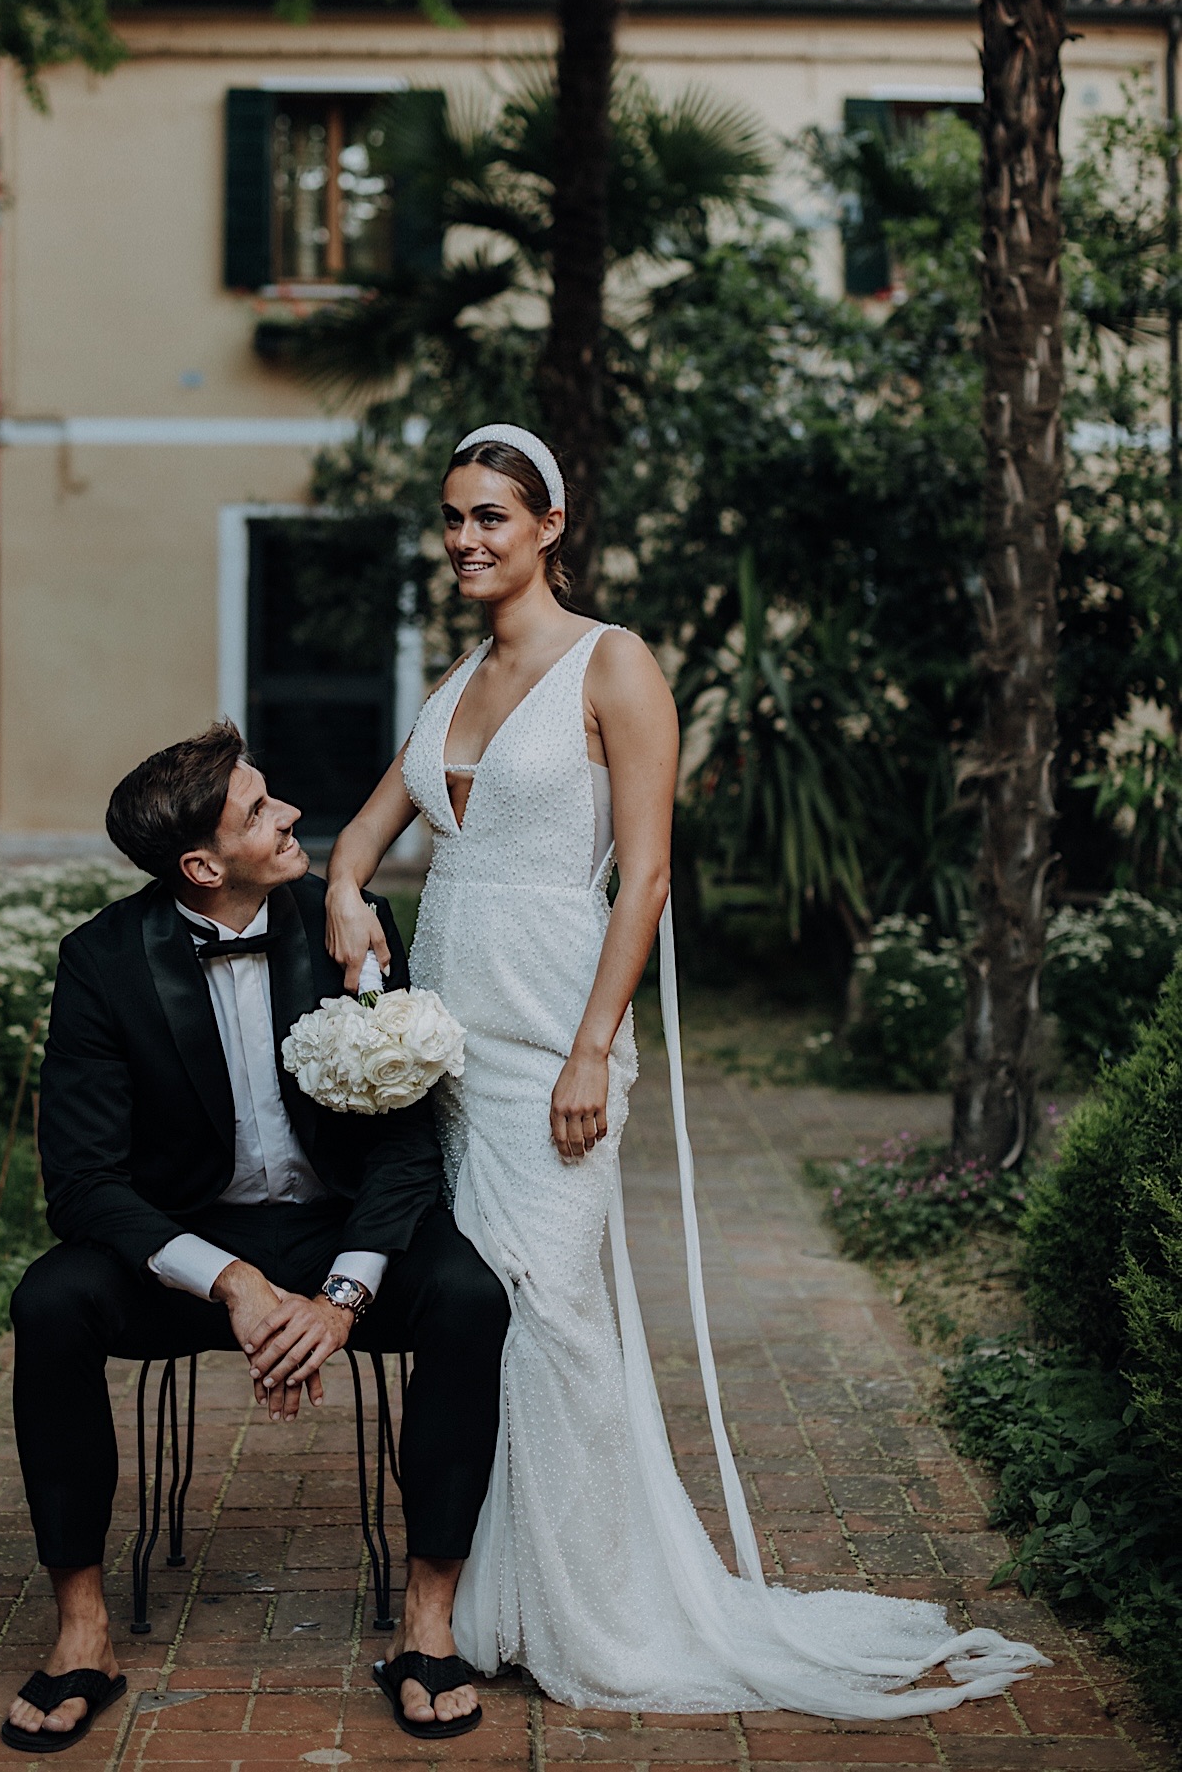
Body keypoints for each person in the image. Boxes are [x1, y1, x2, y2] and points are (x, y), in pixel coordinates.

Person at [324, 421, 1048, 1719]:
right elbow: (374, 829)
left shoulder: (615, 664)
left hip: (555, 1039)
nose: (465, 539)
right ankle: (482, 1592)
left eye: (491, 516)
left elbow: (647, 876)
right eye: (451, 518)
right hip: (441, 1044)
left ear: (550, 526)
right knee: (479, 1323)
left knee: (556, 1319)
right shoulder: (453, 683)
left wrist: (595, 1045)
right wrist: (338, 891)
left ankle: (594, 1606)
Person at [1, 724, 508, 1753]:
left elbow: (408, 1144)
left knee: (469, 1296)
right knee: (49, 1303)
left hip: (341, 1225)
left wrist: (341, 1297)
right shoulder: (101, 961)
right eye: (260, 808)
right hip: (188, 1237)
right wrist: (232, 1280)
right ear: (201, 863)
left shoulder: (346, 924)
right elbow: (84, 1183)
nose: (289, 816)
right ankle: (83, 1629)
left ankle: (427, 1620)